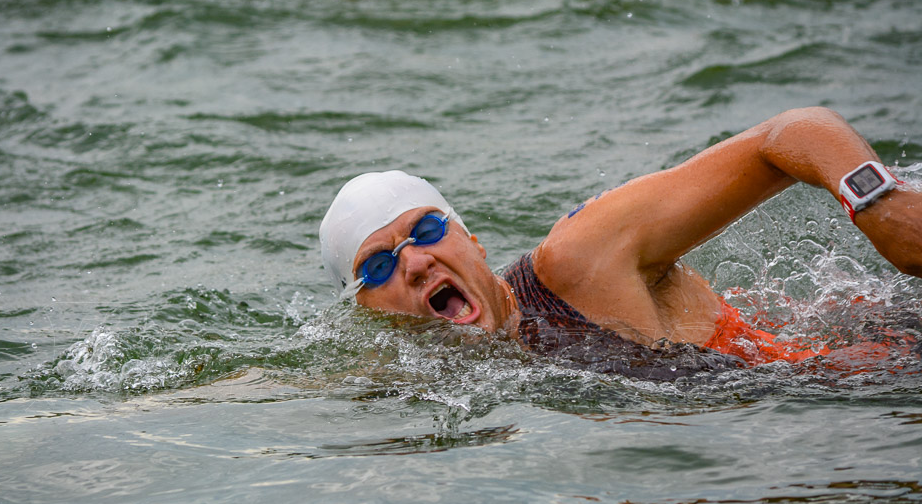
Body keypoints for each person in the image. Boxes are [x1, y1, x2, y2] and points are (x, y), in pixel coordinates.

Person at [319, 107, 921, 371]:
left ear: (472, 242)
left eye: (425, 230)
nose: (418, 263)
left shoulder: (578, 262)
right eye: (377, 268)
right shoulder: (403, 376)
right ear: (368, 310)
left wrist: (879, 202)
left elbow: (789, 134)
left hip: (873, 367)